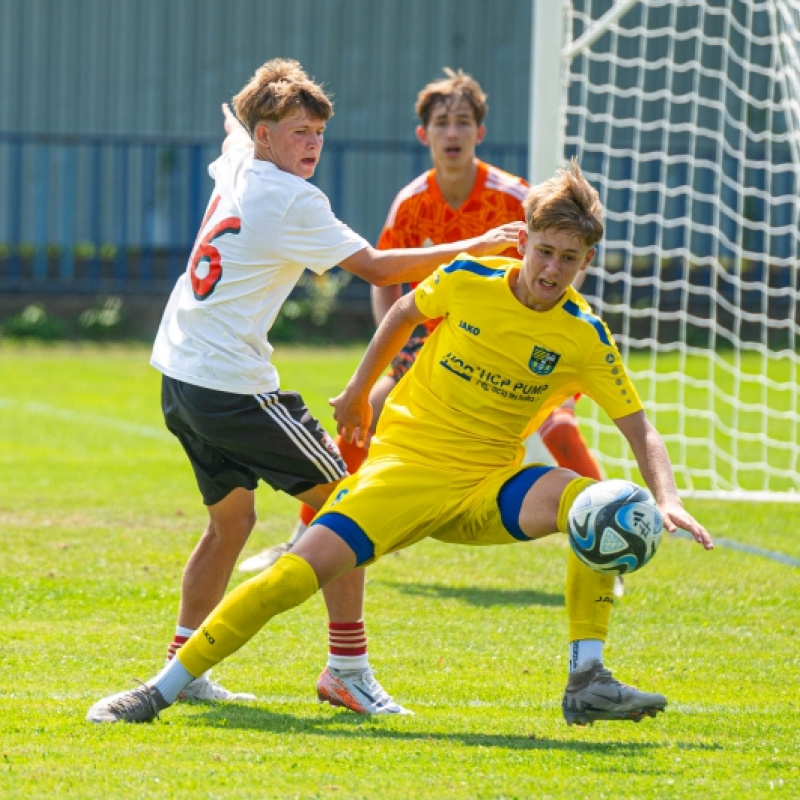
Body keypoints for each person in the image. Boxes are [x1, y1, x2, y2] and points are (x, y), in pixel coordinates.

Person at [87, 160, 714, 727]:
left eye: (569, 259)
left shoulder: (584, 335)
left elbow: (639, 425)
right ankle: (160, 689)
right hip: (403, 472)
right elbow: (405, 312)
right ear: (523, 241)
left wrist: (668, 496)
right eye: (545, 251)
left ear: (586, 262)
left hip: (490, 490)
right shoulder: (469, 278)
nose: (552, 269)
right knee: (289, 580)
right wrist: (360, 391)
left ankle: (587, 679)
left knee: (602, 506)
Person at [140, 58, 522, 712]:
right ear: (268, 138)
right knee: (352, 507)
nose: (312, 144)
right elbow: (375, 268)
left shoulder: (239, 163)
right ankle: (346, 667)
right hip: (231, 385)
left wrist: (264, 95)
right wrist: (478, 244)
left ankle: (185, 664)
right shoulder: (291, 197)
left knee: (230, 523)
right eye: (297, 132)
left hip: (179, 374)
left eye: (318, 131)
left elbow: (234, 128)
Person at [240, 67, 610, 591]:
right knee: (362, 412)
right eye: (442, 123)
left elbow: (558, 271)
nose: (453, 133)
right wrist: (399, 353)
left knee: (561, 429)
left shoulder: (515, 198)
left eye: (463, 122)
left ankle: (606, 535)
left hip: (519, 354)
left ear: (480, 133)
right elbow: (386, 277)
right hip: (436, 358)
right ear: (425, 135)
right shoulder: (412, 200)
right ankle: (309, 536)